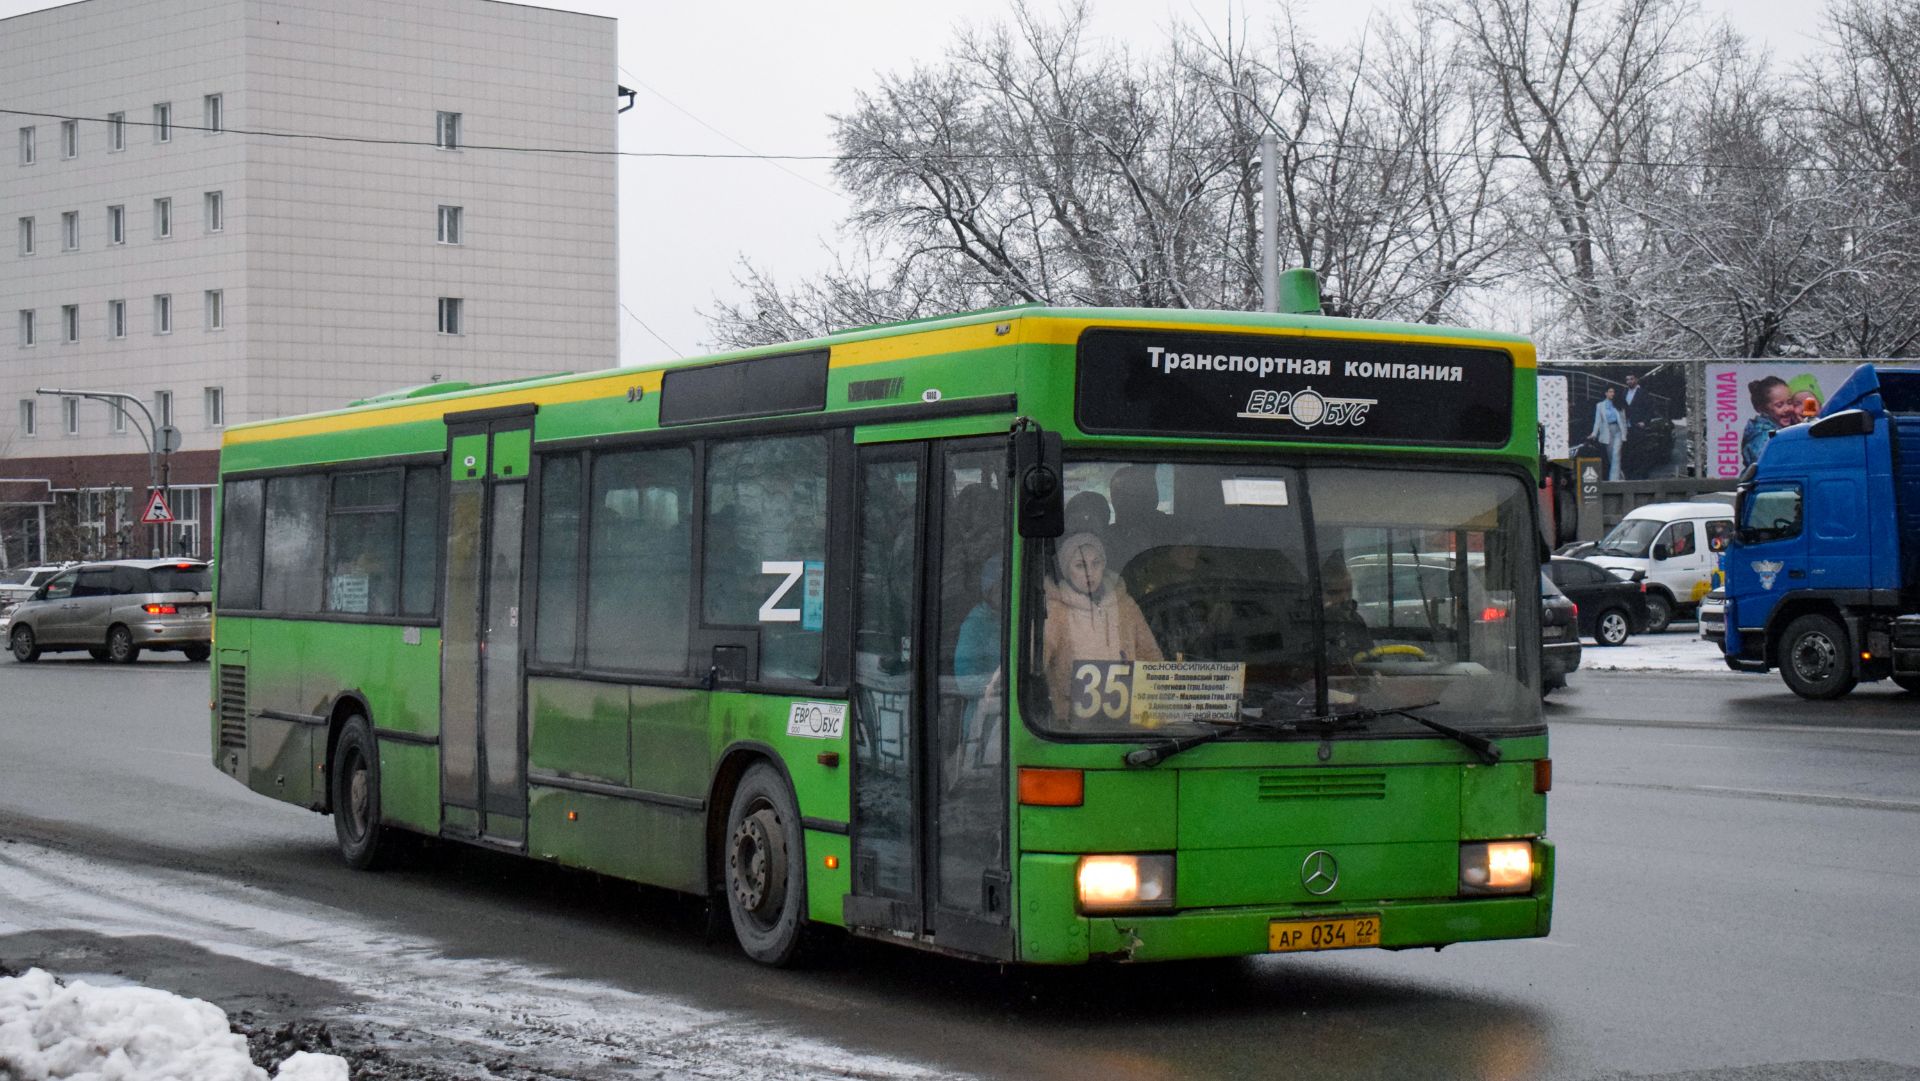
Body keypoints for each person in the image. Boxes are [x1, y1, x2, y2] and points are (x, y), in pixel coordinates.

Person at [1041, 531, 1163, 726]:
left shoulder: (1125, 605)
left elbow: (1150, 657)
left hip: (1126, 719)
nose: (1090, 572)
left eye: (1095, 564)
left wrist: (1157, 704)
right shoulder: (1056, 610)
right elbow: (1037, 656)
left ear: (1104, 565)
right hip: (1071, 723)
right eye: (1080, 566)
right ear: (1066, 570)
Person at [1320, 554, 1374, 670]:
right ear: (1319, 594)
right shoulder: (1309, 626)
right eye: (1335, 592)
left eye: (1348, 591)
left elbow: (1373, 662)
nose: (1345, 599)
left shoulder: (1355, 621)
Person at [1741, 376, 1797, 467]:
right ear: (1763, 409)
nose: (1787, 409)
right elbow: (1768, 466)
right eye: (1779, 405)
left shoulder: (1785, 429)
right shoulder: (1762, 436)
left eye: (1790, 402)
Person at [1588, 386, 1627, 481]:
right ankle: (1620, 477)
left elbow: (1623, 421)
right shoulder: (1600, 405)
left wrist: (1624, 434)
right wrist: (1594, 433)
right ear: (1606, 393)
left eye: (1613, 392)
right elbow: (1597, 421)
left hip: (1617, 430)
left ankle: (1613, 480)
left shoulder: (1618, 404)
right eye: (1610, 391)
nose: (1612, 394)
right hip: (1607, 432)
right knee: (1611, 457)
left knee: (1616, 454)